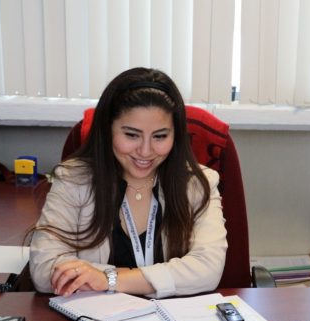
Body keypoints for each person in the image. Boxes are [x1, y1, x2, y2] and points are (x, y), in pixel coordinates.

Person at [29, 67, 227, 298]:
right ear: (108, 130)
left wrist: (106, 279)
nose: (145, 151)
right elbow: (44, 270)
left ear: (176, 136)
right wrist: (158, 278)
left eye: (160, 136)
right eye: (131, 135)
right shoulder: (73, 180)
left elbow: (208, 270)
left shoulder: (197, 183)